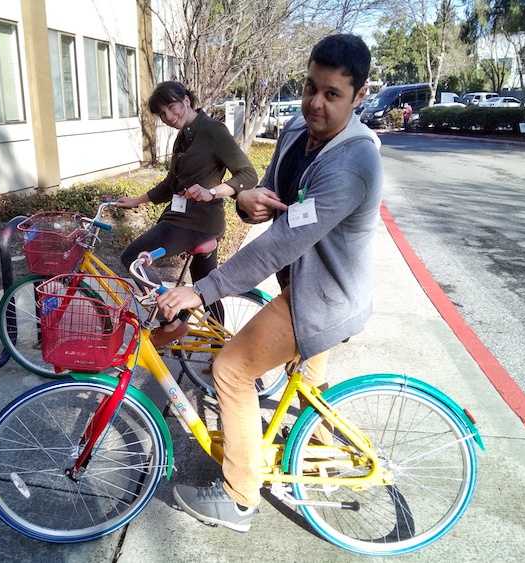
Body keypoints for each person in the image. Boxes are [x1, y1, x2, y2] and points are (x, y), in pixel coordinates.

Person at [156, 34, 383, 532]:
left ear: (359, 96)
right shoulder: (298, 131)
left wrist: (202, 289)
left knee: (232, 370)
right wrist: (247, 201)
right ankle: (321, 452)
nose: (315, 104)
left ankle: (239, 499)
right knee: (309, 390)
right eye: (309, 87)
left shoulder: (353, 162)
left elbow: (281, 243)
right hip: (301, 286)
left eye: (332, 94)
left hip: (321, 298)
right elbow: (271, 195)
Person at [117, 81, 258, 348]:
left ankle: (170, 323)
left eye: (172, 107)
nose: (169, 117)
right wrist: (136, 200)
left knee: (132, 258)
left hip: (196, 223)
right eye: (162, 113)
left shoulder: (213, 130)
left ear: (186, 100)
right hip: (189, 221)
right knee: (207, 287)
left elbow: (248, 175)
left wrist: (212, 192)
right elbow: (172, 183)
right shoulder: (184, 135)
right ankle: (221, 350)